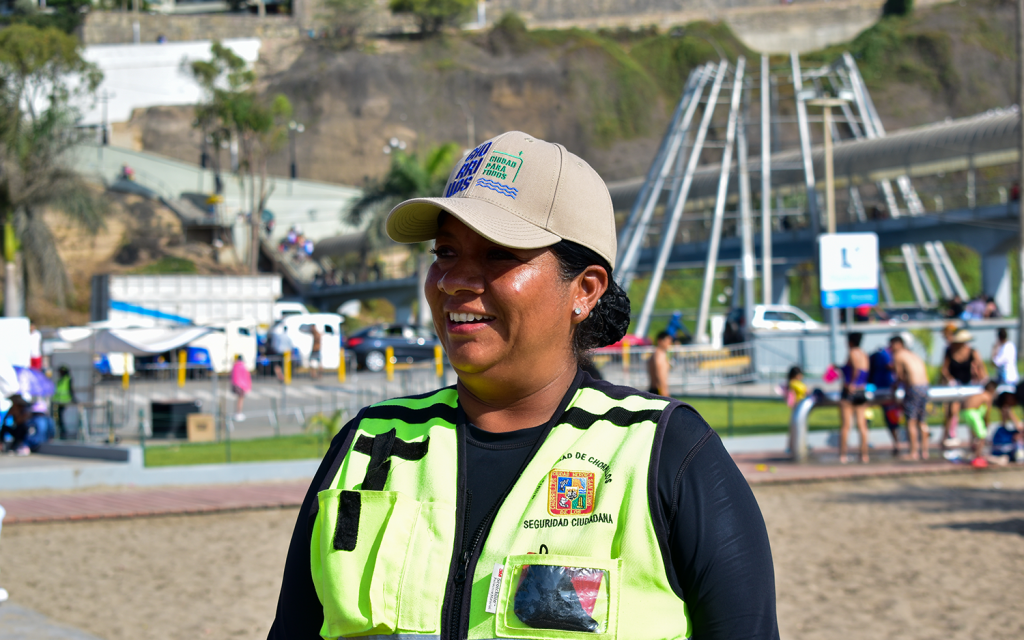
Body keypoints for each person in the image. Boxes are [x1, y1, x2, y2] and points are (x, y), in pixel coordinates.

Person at [268, 131, 779, 639]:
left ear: (585, 289)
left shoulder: (665, 454)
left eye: (498, 255)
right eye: (445, 252)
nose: (453, 280)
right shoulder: (368, 446)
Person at [941, 329, 987, 447]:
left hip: (969, 385)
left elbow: (981, 367)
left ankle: (973, 440)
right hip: (955, 386)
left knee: (970, 412)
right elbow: (944, 369)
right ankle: (946, 437)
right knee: (952, 411)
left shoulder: (972, 352)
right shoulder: (949, 352)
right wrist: (950, 380)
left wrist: (982, 380)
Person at [889, 336, 930, 461]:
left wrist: (894, 387)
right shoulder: (912, 354)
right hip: (925, 386)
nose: (890, 348)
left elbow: (899, 376)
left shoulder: (898, 355)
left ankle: (913, 452)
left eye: (891, 345)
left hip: (914, 387)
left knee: (911, 420)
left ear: (898, 344)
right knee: (921, 420)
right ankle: (925, 452)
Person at [839, 332, 870, 464]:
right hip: (862, 390)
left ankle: (843, 455)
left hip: (851, 392)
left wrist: (851, 384)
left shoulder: (852, 353)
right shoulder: (864, 354)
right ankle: (864, 455)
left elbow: (856, 369)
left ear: (850, 342)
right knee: (862, 426)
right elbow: (865, 371)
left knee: (846, 426)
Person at [961, 380, 998, 467]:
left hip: (963, 412)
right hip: (972, 412)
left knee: (974, 434)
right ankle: (977, 457)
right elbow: (988, 412)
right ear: (992, 389)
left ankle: (972, 451)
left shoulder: (978, 394)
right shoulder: (987, 395)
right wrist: (986, 422)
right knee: (982, 435)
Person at [52, 365, 76, 439]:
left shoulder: (67, 378)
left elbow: (70, 389)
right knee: (57, 417)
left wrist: (73, 399)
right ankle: (60, 432)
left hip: (63, 401)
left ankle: (63, 432)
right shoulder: (61, 379)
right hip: (57, 401)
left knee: (59, 417)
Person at [647, 330, 672, 396]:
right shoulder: (659, 354)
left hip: (655, 390)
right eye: (667, 342)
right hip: (658, 391)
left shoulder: (655, 354)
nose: (669, 344)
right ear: (660, 341)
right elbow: (659, 372)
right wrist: (664, 390)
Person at [231, 355, 252, 422]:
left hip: (235, 385)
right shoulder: (243, 366)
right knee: (240, 399)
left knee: (238, 399)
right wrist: (247, 387)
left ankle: (237, 412)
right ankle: (238, 413)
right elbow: (246, 377)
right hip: (241, 385)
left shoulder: (234, 366)